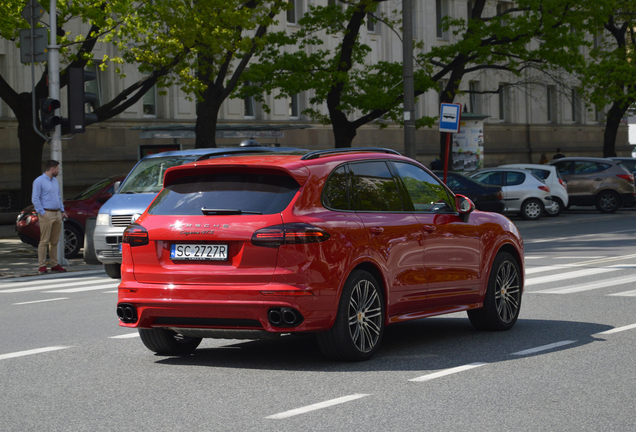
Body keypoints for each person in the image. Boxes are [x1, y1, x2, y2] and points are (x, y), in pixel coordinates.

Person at [32, 160, 67, 274]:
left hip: (56, 213)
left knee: (55, 241)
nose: (58, 171)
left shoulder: (55, 181)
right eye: (57, 168)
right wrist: (42, 212)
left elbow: (58, 196)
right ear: (52, 169)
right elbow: (35, 198)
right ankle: (42, 265)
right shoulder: (39, 181)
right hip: (46, 213)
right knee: (44, 240)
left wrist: (62, 210)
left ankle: (54, 264)